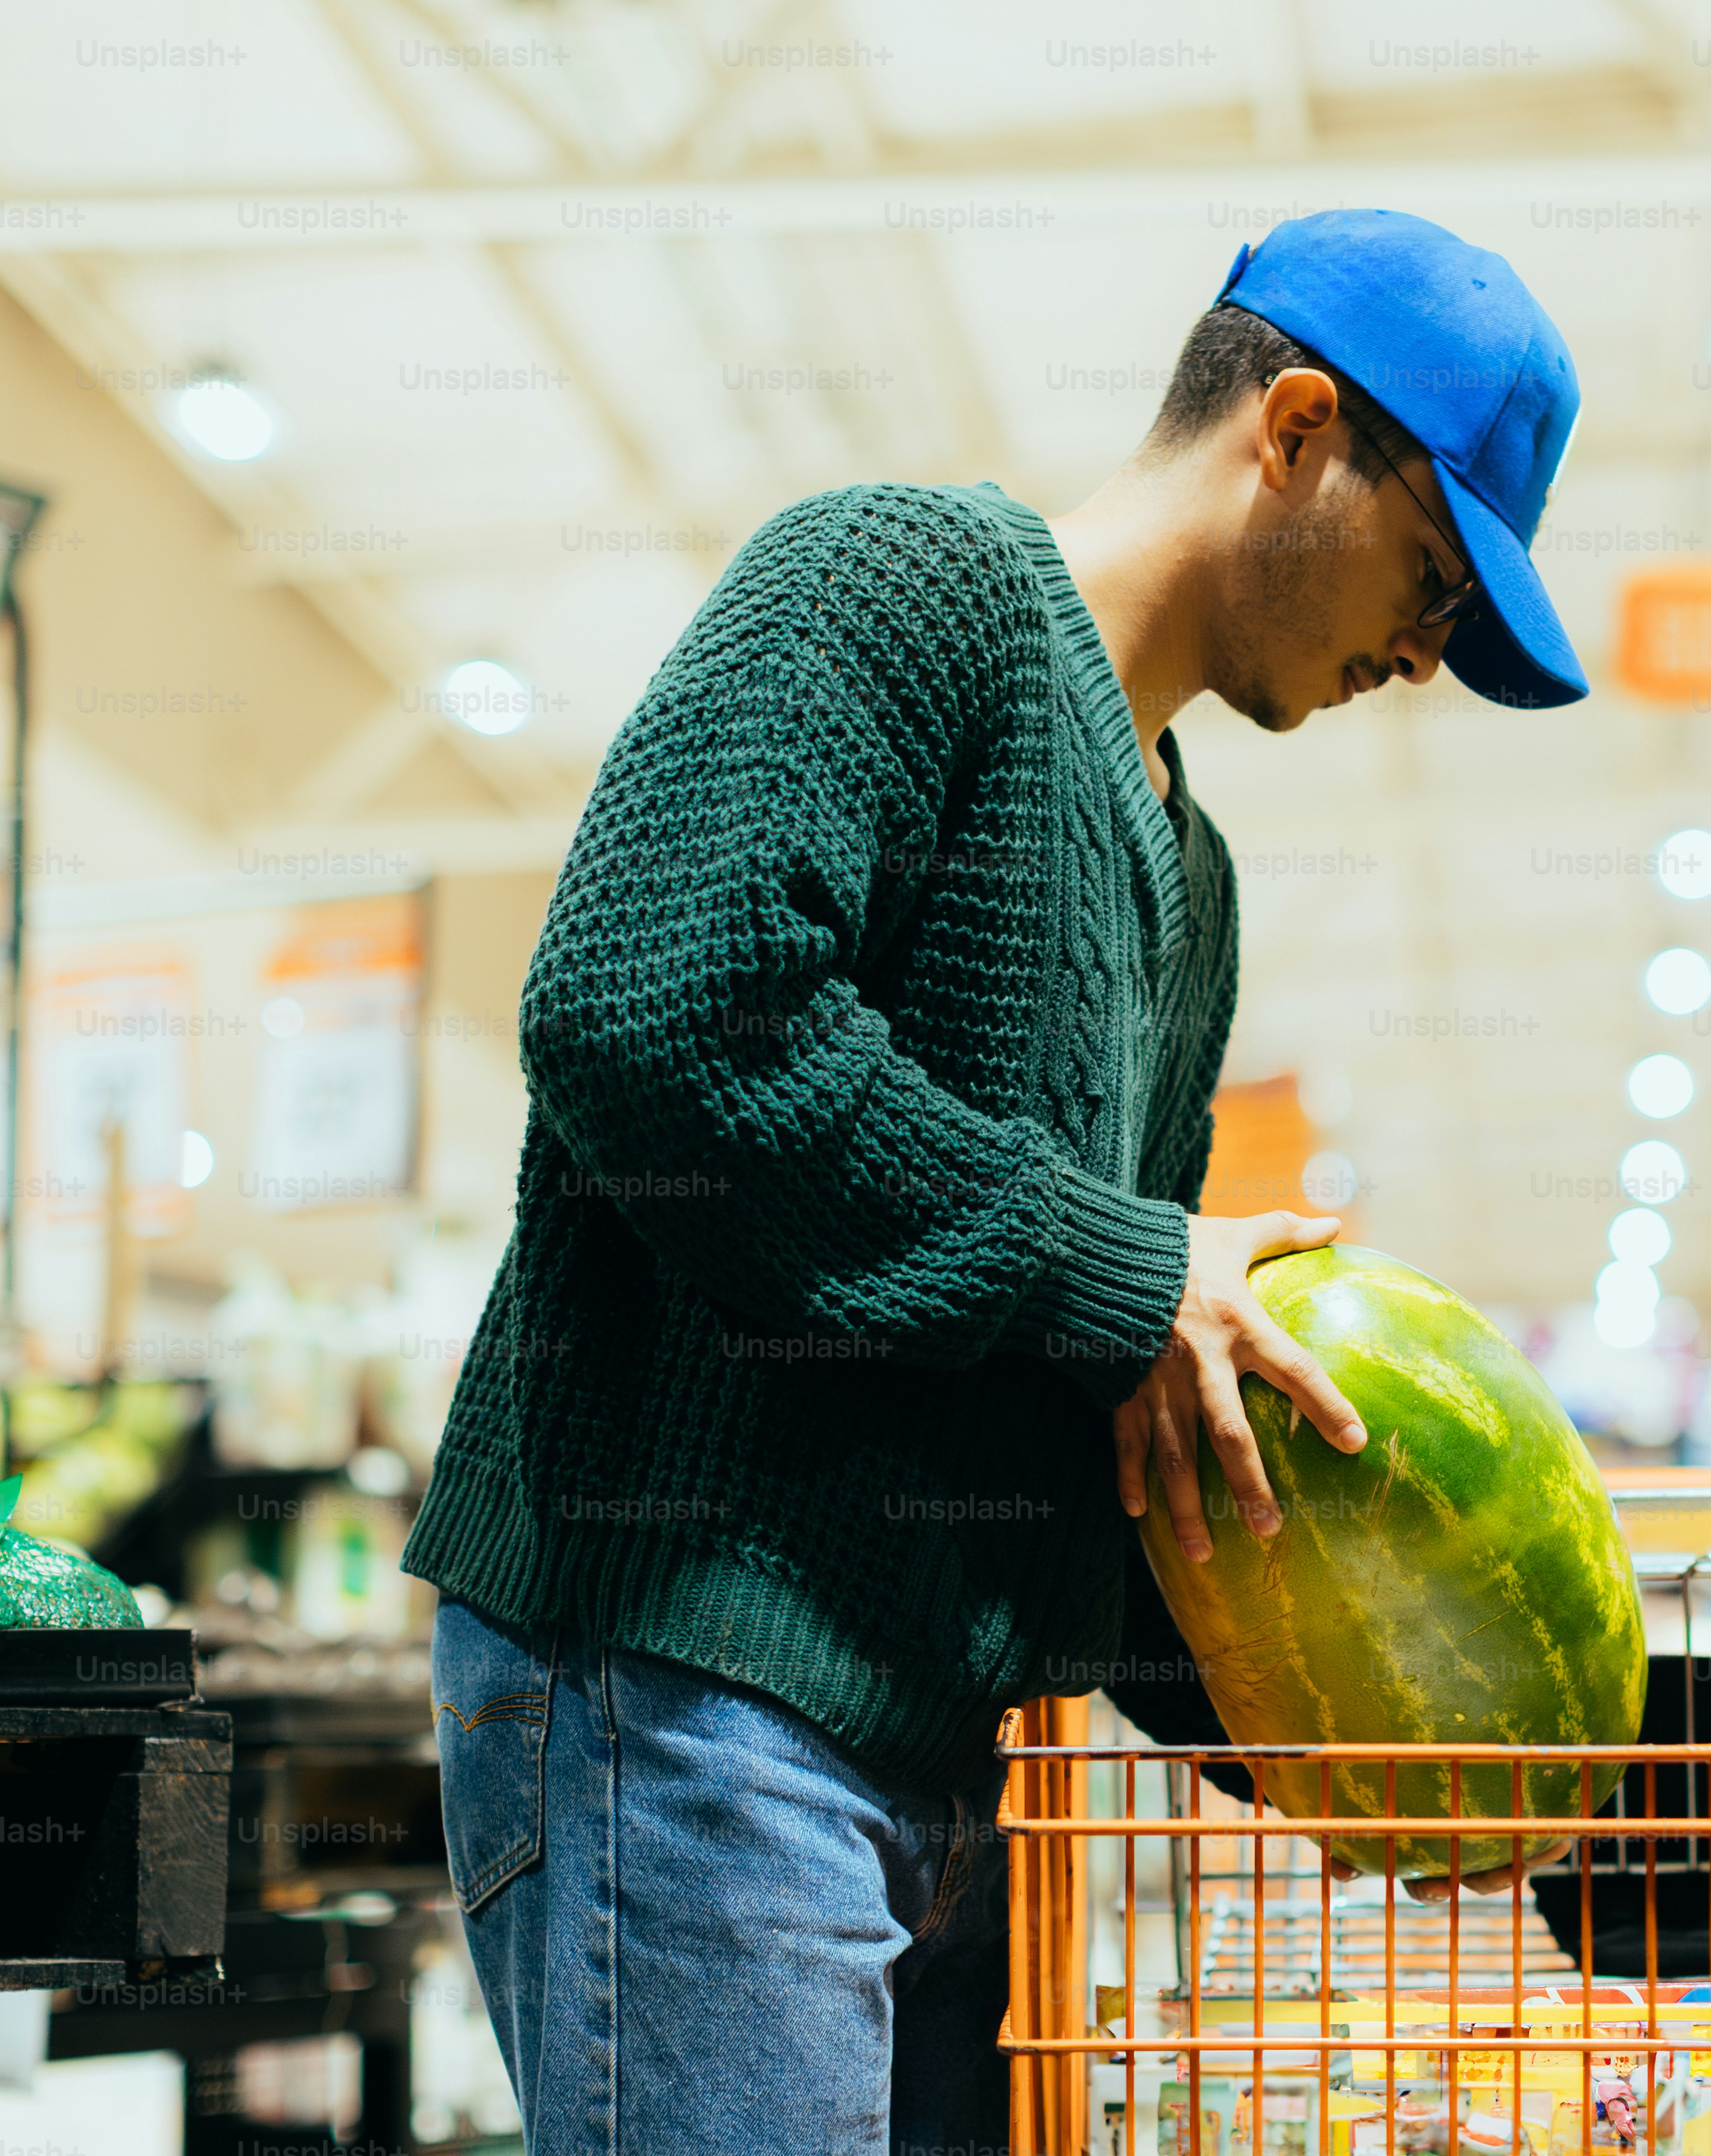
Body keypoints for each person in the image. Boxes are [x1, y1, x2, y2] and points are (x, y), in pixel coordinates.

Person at [402, 208, 1590, 2155]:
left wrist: (1375, 1742)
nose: (1431, 658)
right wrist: (1128, 1268)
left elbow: (1090, 1411)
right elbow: (651, 1013)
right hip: (689, 1672)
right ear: (1293, 427)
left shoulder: (1188, 892)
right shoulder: (906, 581)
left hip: (934, 1756)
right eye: (1441, 583)